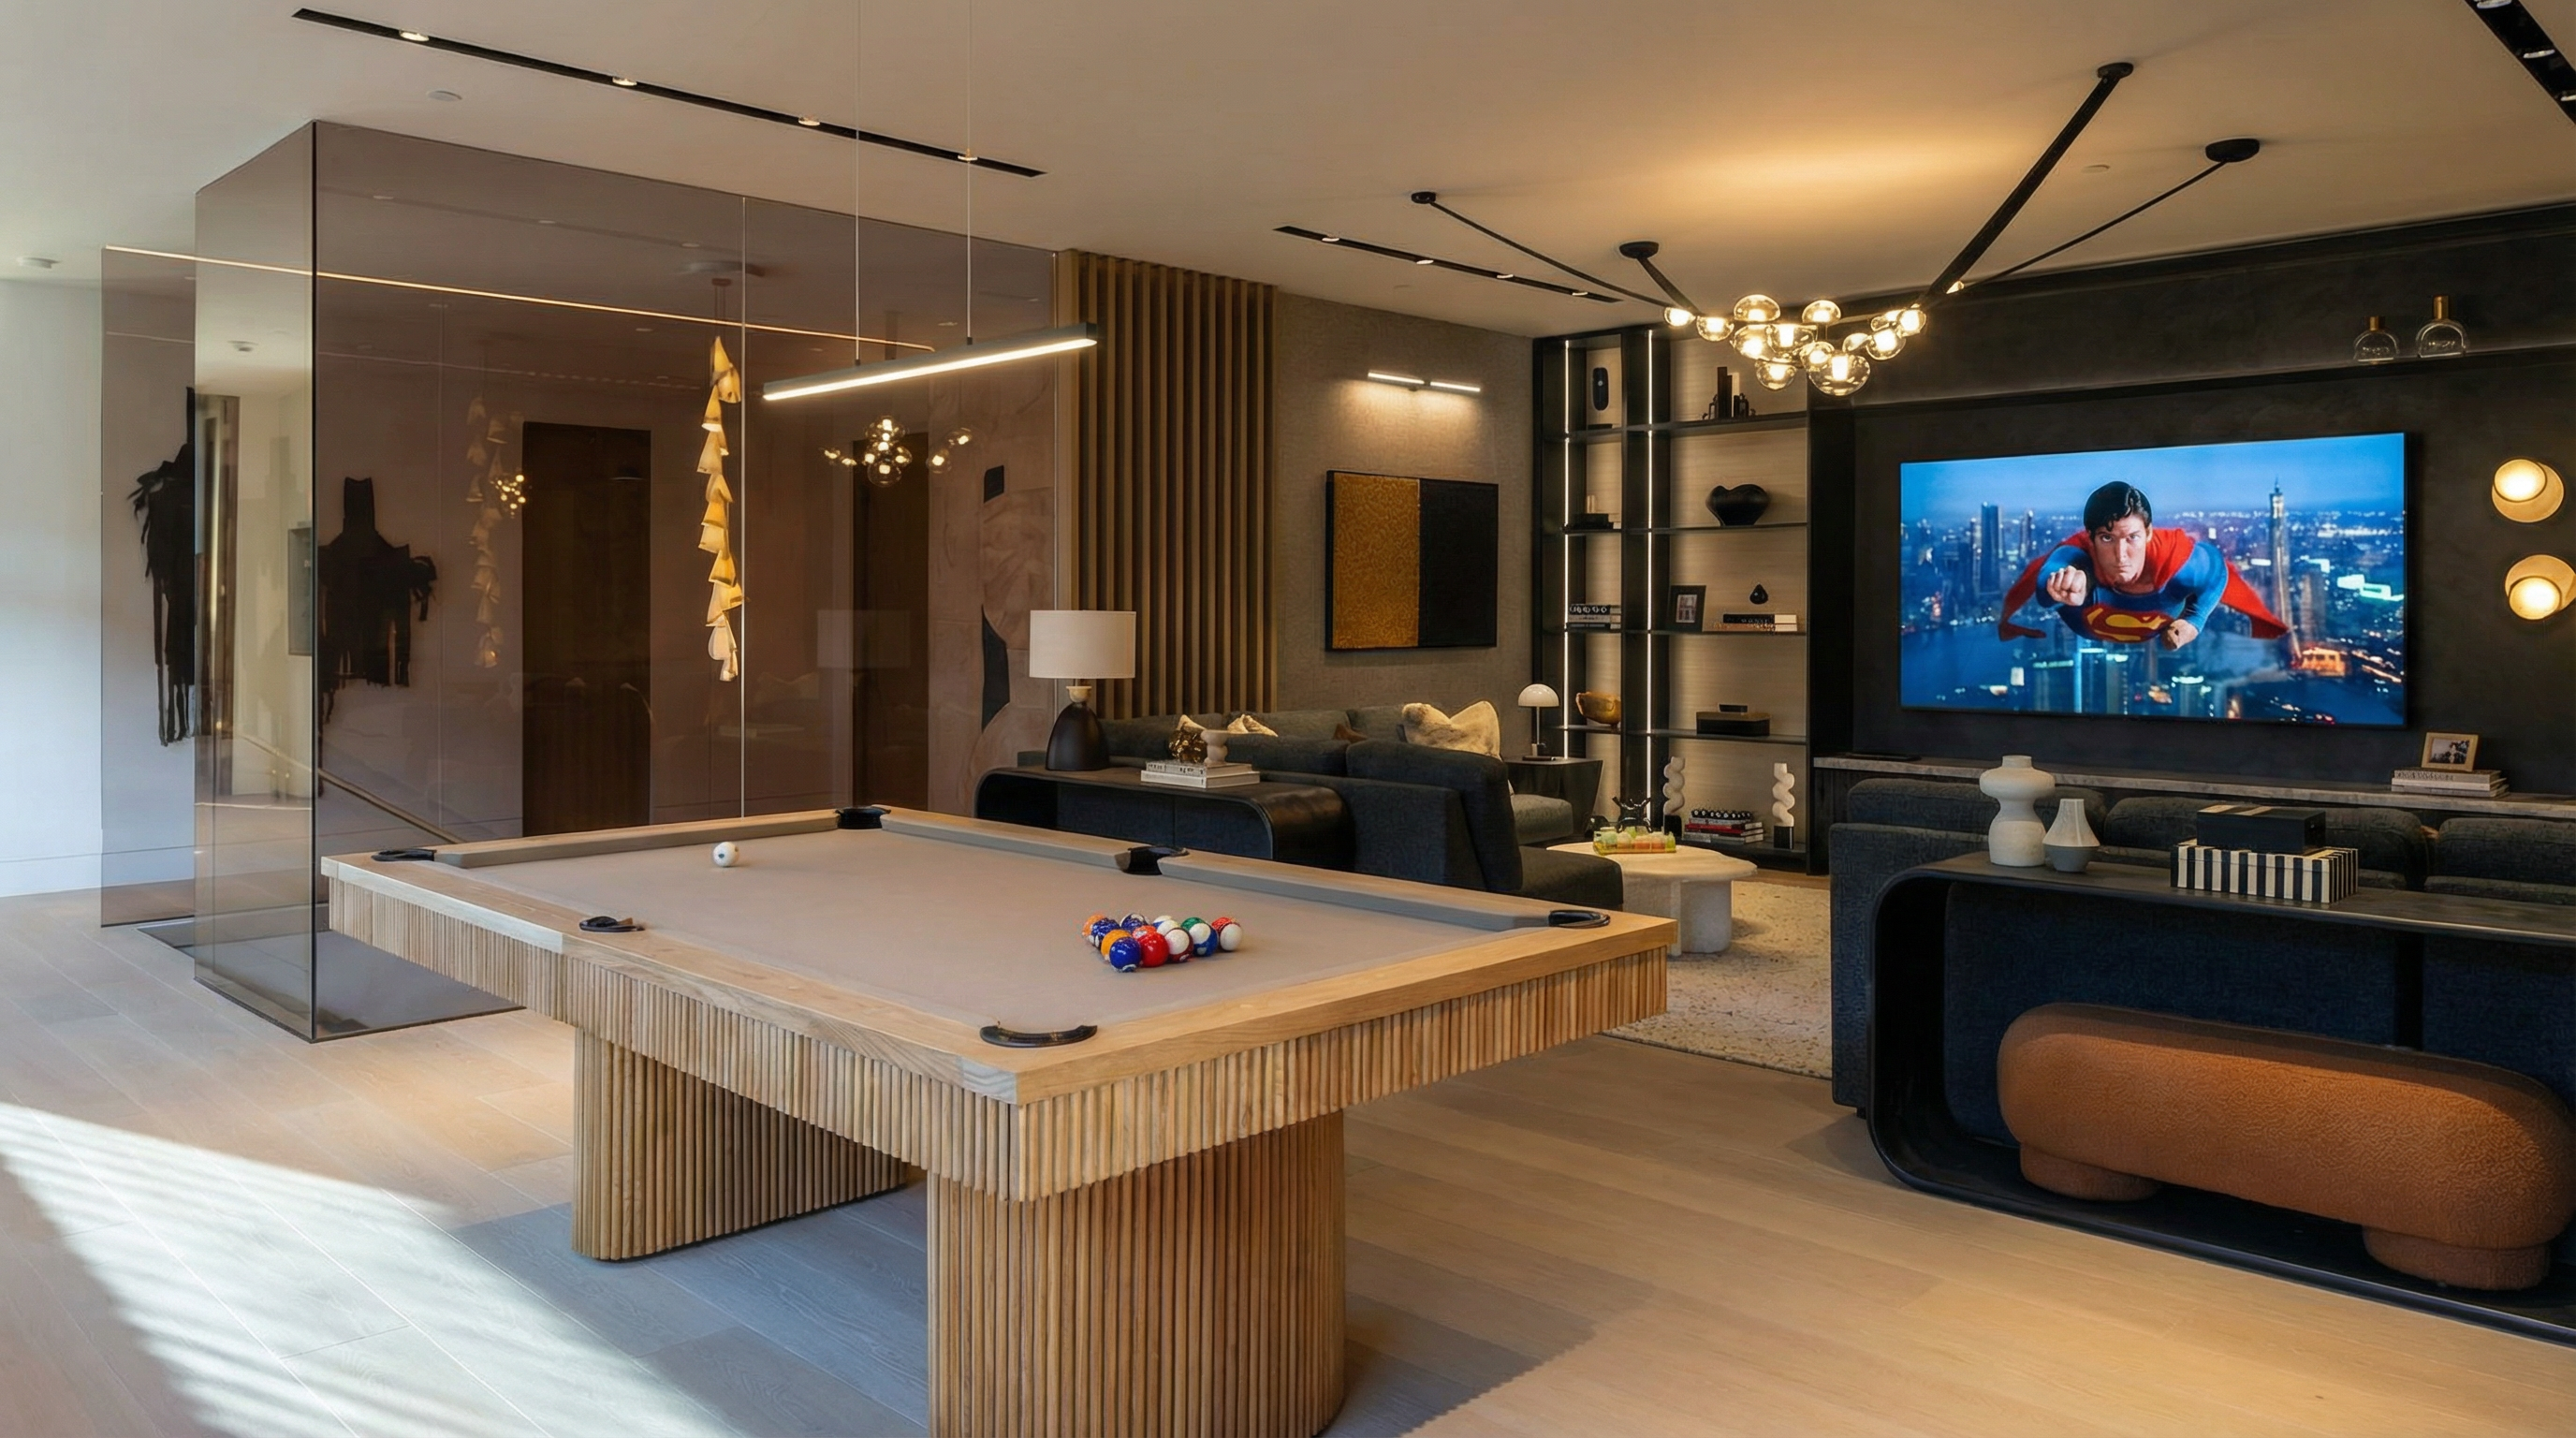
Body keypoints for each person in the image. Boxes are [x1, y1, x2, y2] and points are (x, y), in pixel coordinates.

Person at [1998, 481, 2288, 649]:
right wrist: (2066, 588)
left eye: (2132, 538)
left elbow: (2216, 570)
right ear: (2091, 538)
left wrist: (2194, 623)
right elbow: (2046, 584)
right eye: (2107, 538)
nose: (2121, 554)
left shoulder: (2178, 562)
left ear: (2148, 534)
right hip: (2089, 628)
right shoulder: (2075, 555)